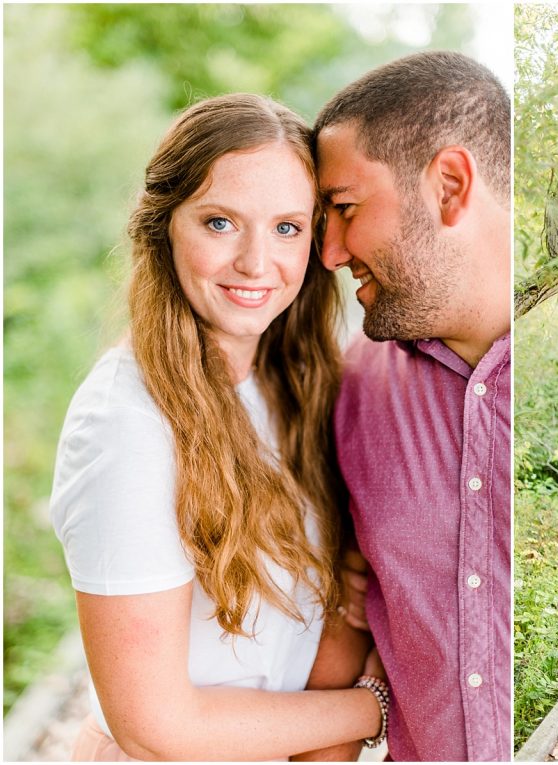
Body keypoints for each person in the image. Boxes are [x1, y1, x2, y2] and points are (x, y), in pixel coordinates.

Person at [50, 93, 387, 761]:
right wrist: (371, 706)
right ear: (162, 228)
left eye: (288, 227)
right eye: (220, 222)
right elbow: (155, 725)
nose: (257, 264)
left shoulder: (293, 383)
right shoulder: (126, 424)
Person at [312, 51, 511, 761]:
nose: (329, 252)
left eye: (343, 208)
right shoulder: (354, 392)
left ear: (450, 184)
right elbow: (345, 628)